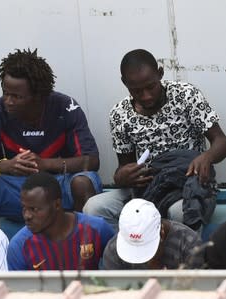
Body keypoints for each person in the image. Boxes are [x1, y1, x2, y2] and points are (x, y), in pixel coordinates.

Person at [83, 49, 226, 230]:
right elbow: (125, 166)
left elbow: (221, 141)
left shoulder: (186, 96)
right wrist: (122, 176)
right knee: (94, 208)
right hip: (148, 187)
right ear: (124, 83)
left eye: (151, 87)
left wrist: (207, 156)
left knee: (180, 212)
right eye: (136, 91)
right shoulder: (120, 114)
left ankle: (181, 256)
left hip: (187, 184)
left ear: (160, 73)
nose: (146, 96)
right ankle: (125, 255)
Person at [0, 48, 102, 226]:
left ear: (39, 96)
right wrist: (7, 165)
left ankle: (82, 246)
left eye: (17, 96)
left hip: (57, 185)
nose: (8, 101)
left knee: (83, 182)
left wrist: (44, 164)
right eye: (6, 93)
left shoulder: (66, 108)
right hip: (15, 186)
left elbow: (91, 161)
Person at [7, 172, 113, 270]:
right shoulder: (19, 246)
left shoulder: (98, 229)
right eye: (24, 208)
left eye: (34, 209)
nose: (27, 216)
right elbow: (18, 289)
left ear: (57, 205)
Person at [103, 198, 204, 269]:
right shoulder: (114, 249)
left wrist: (156, 267)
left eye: (145, 248)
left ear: (162, 232)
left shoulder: (189, 244)